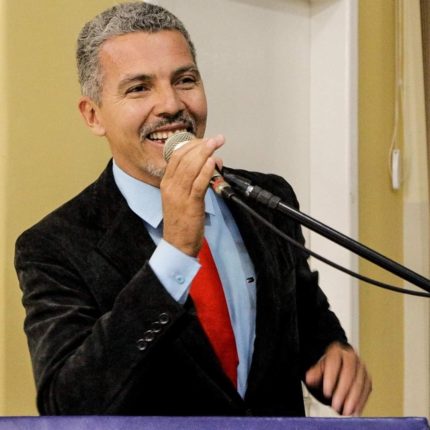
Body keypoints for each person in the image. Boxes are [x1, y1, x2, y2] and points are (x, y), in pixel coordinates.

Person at [15, 2, 371, 417]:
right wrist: (175, 252)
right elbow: (67, 403)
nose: (170, 104)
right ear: (93, 115)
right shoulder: (54, 245)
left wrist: (330, 349)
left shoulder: (267, 198)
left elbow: (306, 316)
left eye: (185, 80)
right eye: (139, 88)